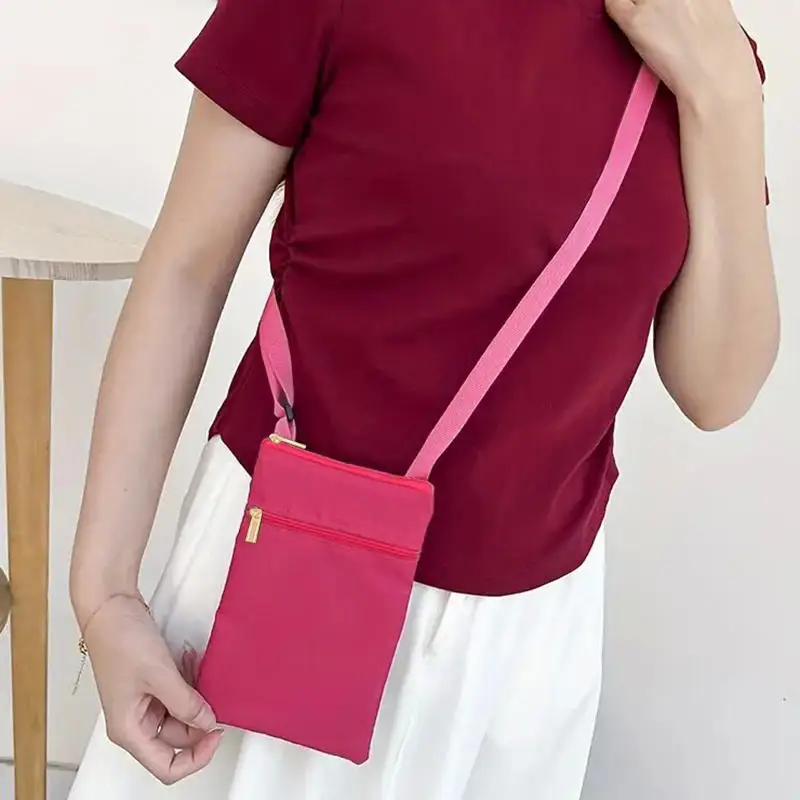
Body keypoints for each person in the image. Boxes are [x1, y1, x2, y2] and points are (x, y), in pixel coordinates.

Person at [67, 0, 779, 798]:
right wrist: (104, 592)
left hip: (524, 641)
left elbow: (716, 390)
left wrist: (725, 97)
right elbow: (188, 266)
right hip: (290, 571)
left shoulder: (700, 42)